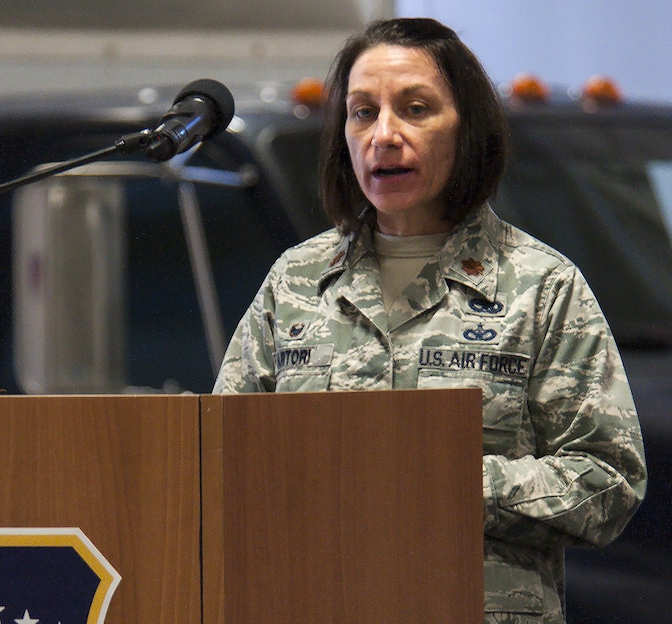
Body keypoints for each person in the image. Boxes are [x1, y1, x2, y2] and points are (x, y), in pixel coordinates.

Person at [213, 17, 646, 624]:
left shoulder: (540, 285)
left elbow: (608, 482)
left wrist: (440, 482)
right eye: (363, 113)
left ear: (467, 129)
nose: (384, 135)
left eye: (415, 109)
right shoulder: (296, 281)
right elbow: (221, 463)